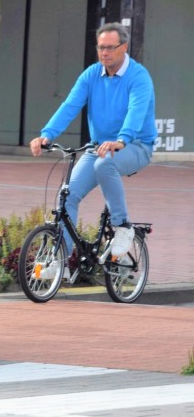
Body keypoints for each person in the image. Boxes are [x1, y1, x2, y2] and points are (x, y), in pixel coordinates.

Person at [29, 23, 156, 259]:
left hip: (136, 145)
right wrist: (47, 134)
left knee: (104, 164)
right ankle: (60, 262)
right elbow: (70, 105)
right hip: (99, 148)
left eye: (110, 47)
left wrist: (122, 139)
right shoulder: (91, 75)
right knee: (67, 195)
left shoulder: (139, 77)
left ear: (124, 47)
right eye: (100, 48)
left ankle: (122, 227)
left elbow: (135, 111)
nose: (104, 53)